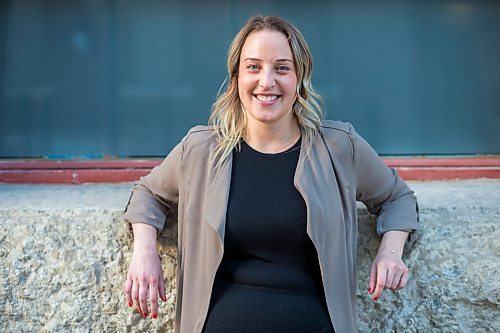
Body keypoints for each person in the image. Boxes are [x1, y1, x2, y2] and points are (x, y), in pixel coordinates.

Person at [123, 15, 420, 333]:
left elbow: (397, 198)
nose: (267, 82)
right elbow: (148, 194)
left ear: (299, 77)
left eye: (282, 67)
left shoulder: (338, 146)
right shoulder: (200, 150)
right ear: (236, 76)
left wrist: (390, 253)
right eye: (253, 67)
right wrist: (144, 250)